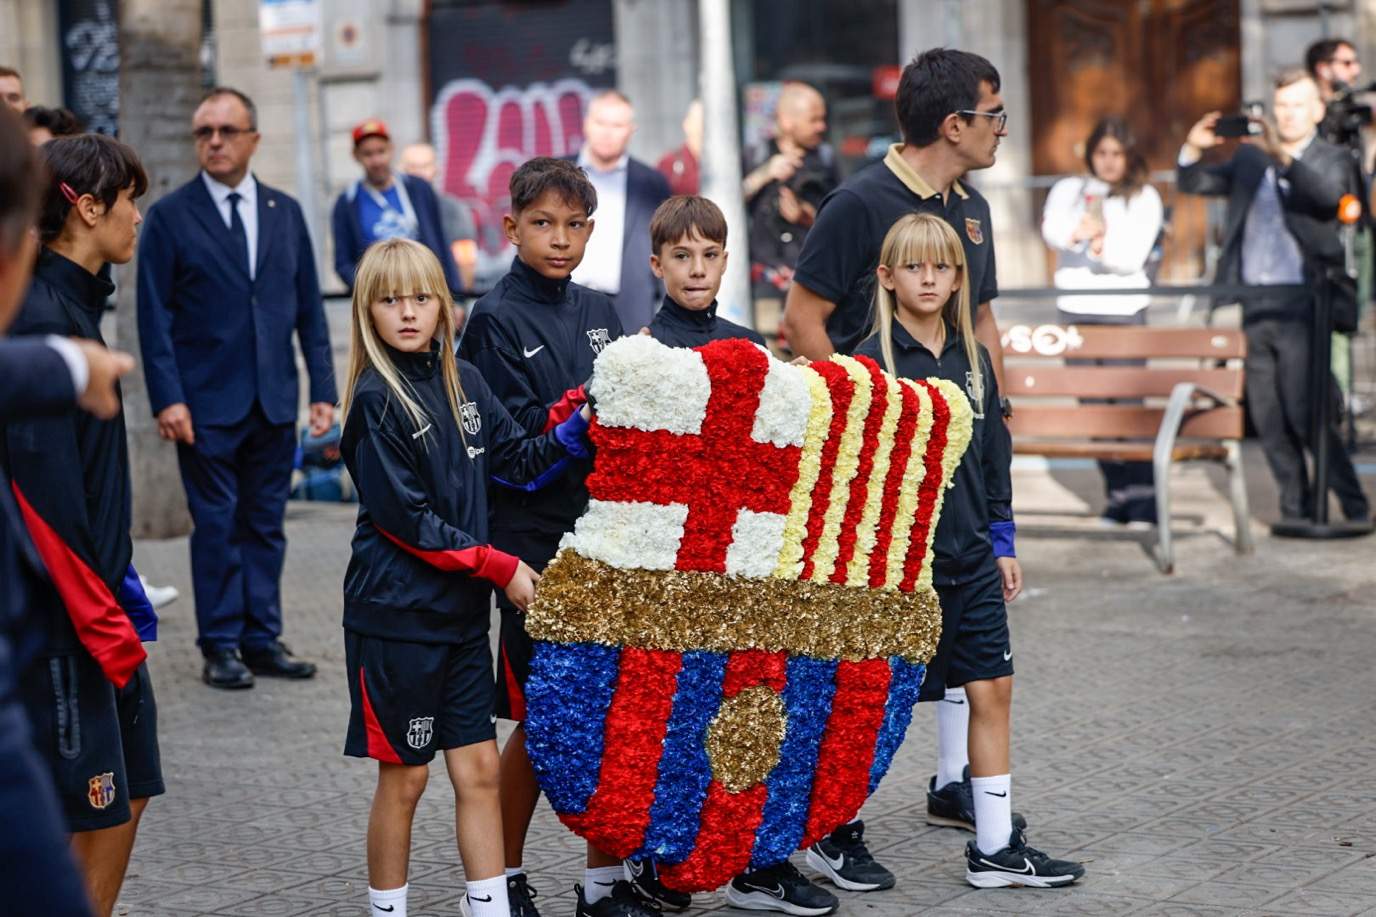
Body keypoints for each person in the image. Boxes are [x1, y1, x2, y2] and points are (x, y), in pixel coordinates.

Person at [339, 238, 594, 917]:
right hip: (396, 619)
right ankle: (386, 909)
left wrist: (586, 410)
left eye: (421, 296)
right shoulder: (374, 400)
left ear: (444, 305)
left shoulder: (464, 380)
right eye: (391, 299)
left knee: (479, 770)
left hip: (458, 620)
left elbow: (523, 457)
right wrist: (500, 565)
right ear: (368, 310)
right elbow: (411, 522)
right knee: (407, 777)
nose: (408, 312)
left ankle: (489, 906)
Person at [614, 193, 841, 917]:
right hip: (669, 572)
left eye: (710, 255)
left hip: (748, 567)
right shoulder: (640, 353)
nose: (696, 268)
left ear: (726, 260)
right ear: (657, 264)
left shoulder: (753, 349)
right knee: (671, 719)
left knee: (755, 710)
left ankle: (761, 861)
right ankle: (662, 860)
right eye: (681, 256)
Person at [856, 213, 1085, 889]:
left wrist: (1003, 541)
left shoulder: (976, 359)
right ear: (887, 277)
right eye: (915, 266)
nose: (929, 278)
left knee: (992, 687)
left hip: (973, 559)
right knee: (872, 705)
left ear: (960, 278)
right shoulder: (868, 363)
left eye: (944, 267)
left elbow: (993, 460)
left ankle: (993, 848)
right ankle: (829, 831)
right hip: (903, 571)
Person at [460, 158, 656, 917]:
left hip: (606, 538)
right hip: (533, 546)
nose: (560, 238)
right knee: (549, 720)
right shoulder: (493, 319)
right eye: (543, 223)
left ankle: (603, 884)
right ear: (510, 227)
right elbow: (507, 459)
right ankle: (501, 877)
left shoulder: (604, 309)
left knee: (606, 714)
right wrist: (575, 427)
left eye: (575, 224)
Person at [1, 133, 166, 917]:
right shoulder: (38, 310)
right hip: (69, 616)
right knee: (84, 804)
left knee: (129, 788)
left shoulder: (79, 305)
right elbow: (45, 499)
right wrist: (94, 616)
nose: (138, 215)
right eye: (129, 199)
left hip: (103, 602)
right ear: (87, 206)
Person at [137, 86, 337, 689]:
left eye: (227, 130)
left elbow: (308, 309)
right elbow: (153, 317)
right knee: (218, 525)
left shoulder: (284, 211)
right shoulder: (171, 217)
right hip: (204, 405)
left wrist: (322, 389)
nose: (216, 142)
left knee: (266, 523)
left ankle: (261, 637)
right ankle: (219, 642)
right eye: (205, 132)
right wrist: (168, 397)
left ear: (253, 138)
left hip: (274, 398)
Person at [1177, 70, 1371, 523]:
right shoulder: (1249, 160)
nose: (1286, 115)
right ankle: (1294, 506)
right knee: (1267, 414)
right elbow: (1194, 184)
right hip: (1255, 302)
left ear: (1317, 111)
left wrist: (1281, 157)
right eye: (1281, 106)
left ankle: (1354, 504)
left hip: (1306, 304)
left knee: (1307, 414)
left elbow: (1329, 198)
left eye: (1297, 105)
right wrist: (1193, 147)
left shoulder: (1332, 157)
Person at [782, 48, 1009, 397]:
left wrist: (999, 410)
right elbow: (801, 320)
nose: (1001, 131)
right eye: (993, 116)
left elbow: (981, 319)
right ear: (954, 126)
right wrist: (860, 410)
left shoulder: (975, 206)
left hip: (963, 432)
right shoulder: (856, 203)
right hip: (879, 437)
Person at [1041, 116, 1164, 526]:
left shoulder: (1143, 197)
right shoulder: (1069, 190)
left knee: (1127, 410)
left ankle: (1145, 503)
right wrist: (1078, 231)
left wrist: (1098, 241)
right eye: (1102, 153)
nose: (1109, 162)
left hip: (1123, 314)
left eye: (1117, 154)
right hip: (1077, 311)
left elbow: (1130, 258)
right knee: (1093, 412)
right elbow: (1052, 230)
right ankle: (1117, 497)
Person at [567, 89, 672, 332]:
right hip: (563, 301)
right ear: (586, 124)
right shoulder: (555, 175)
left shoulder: (652, 182)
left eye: (616, 125)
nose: (607, 132)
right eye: (600, 122)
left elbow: (665, 244)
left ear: (631, 129)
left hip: (628, 310)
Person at [332, 120, 461, 295]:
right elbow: (343, 263)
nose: (376, 161)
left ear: (391, 149)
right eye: (368, 154)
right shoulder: (347, 202)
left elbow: (441, 242)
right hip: (381, 298)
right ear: (356, 155)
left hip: (427, 289)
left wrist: (455, 296)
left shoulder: (419, 189)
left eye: (381, 151)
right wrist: (371, 290)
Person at [742, 82, 839, 316]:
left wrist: (805, 216)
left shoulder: (825, 159)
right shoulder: (755, 155)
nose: (821, 127)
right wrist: (765, 174)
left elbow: (841, 218)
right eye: (813, 120)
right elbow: (726, 207)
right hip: (766, 288)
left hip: (812, 285)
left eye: (823, 119)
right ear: (787, 121)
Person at [399, 141, 479, 293]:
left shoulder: (453, 210)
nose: (419, 173)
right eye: (413, 167)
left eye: (425, 166)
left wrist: (459, 300)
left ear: (436, 169)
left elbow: (466, 261)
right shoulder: (392, 210)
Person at [656, 99, 702, 197]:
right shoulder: (669, 163)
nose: (702, 128)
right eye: (699, 122)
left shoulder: (731, 163)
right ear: (686, 125)